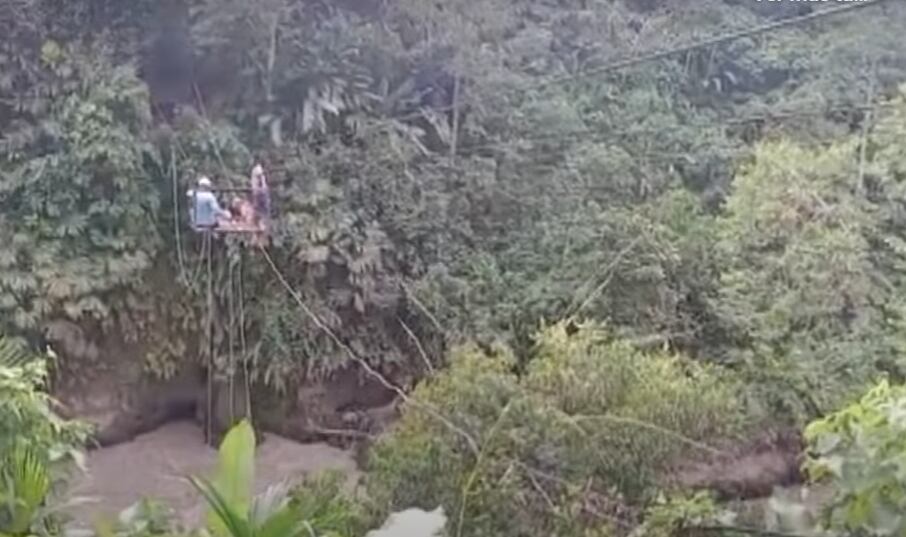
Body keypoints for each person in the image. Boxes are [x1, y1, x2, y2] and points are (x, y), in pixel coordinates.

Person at [250, 163, 271, 229]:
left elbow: (262, 184)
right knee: (259, 209)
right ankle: (259, 223)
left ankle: (263, 224)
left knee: (263, 210)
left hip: (262, 194)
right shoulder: (257, 173)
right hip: (259, 194)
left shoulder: (261, 177)